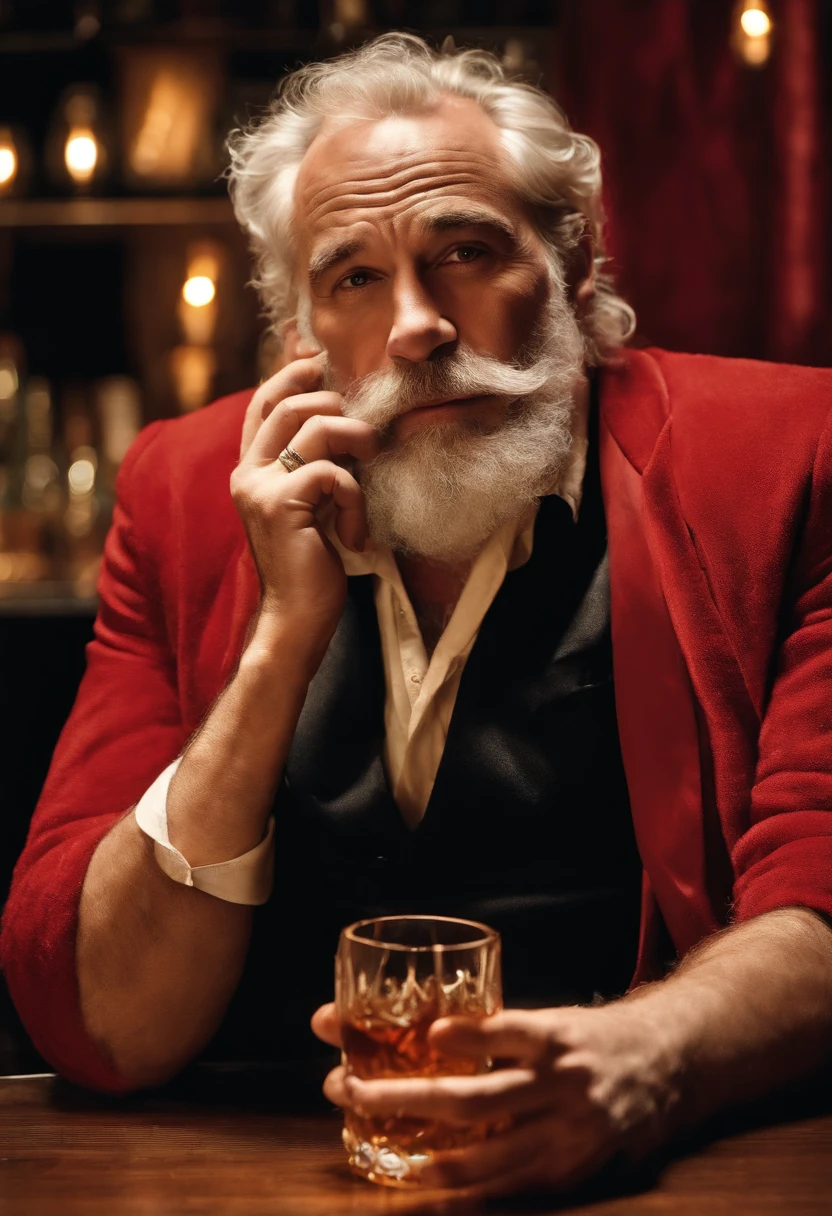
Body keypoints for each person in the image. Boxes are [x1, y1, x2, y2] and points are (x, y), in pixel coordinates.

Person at [3, 32, 832, 1199]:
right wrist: (281, 637)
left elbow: (822, 891)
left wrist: (648, 1056)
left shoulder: (787, 457)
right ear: (299, 333)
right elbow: (94, 1018)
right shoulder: (181, 492)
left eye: (466, 253)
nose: (417, 326)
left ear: (575, 260)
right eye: (353, 278)